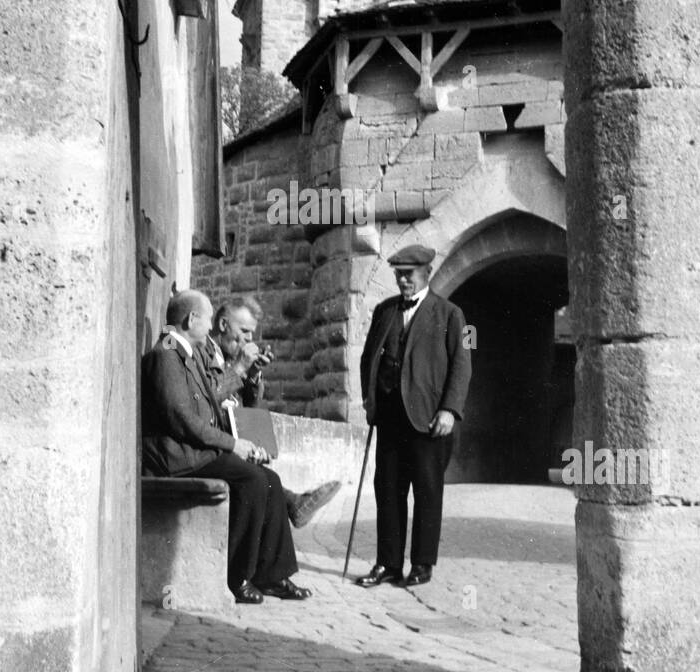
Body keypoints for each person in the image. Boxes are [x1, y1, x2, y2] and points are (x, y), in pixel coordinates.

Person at [141, 289, 311, 604]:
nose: (209, 331)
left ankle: (271, 574)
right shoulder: (167, 353)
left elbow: (210, 403)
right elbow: (182, 418)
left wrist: (249, 375)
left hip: (192, 451)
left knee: (268, 480)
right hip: (177, 457)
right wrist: (233, 445)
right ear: (192, 320)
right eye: (207, 322)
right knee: (253, 479)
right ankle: (237, 576)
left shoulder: (182, 353)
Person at [356, 245, 471, 588]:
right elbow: (368, 359)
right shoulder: (384, 311)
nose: (403, 280)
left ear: (427, 273)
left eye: (410, 274)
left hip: (429, 420)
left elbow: (462, 366)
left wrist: (450, 409)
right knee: (388, 490)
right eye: (398, 274)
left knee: (427, 491)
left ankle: (422, 564)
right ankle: (387, 564)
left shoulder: (450, 314)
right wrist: (369, 399)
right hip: (390, 419)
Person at [205, 297, 343, 529]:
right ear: (223, 326)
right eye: (245, 331)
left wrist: (254, 374)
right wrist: (239, 367)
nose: (250, 338)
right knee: (262, 480)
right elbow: (209, 396)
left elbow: (250, 406)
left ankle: (294, 504)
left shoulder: (231, 357)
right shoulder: (205, 353)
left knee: (264, 476)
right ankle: (294, 503)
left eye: (252, 332)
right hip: (212, 442)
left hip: (232, 438)